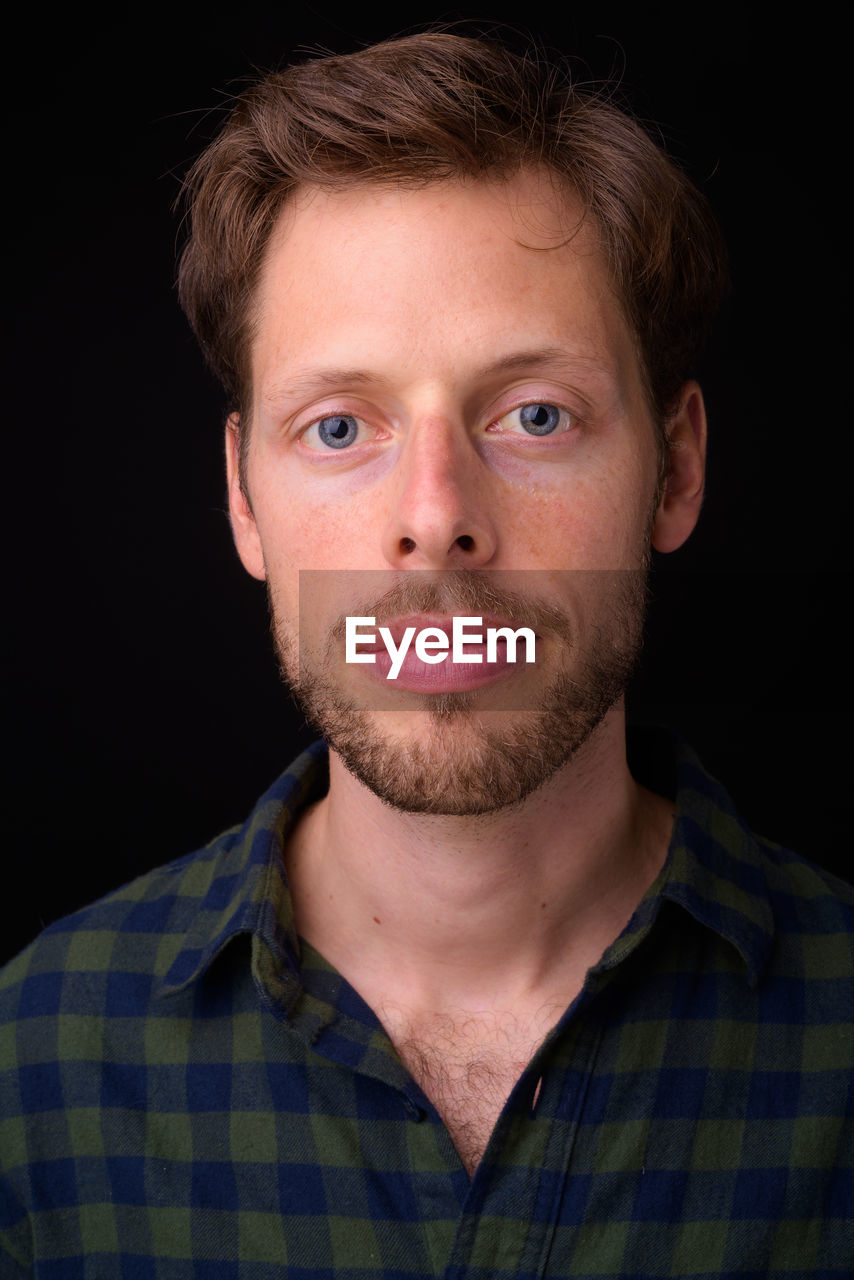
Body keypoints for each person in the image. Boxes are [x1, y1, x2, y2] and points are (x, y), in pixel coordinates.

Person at [1, 30, 851, 1278]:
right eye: (340, 425)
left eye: (534, 414)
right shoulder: (34, 1063)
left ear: (674, 467)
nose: (433, 514)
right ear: (243, 501)